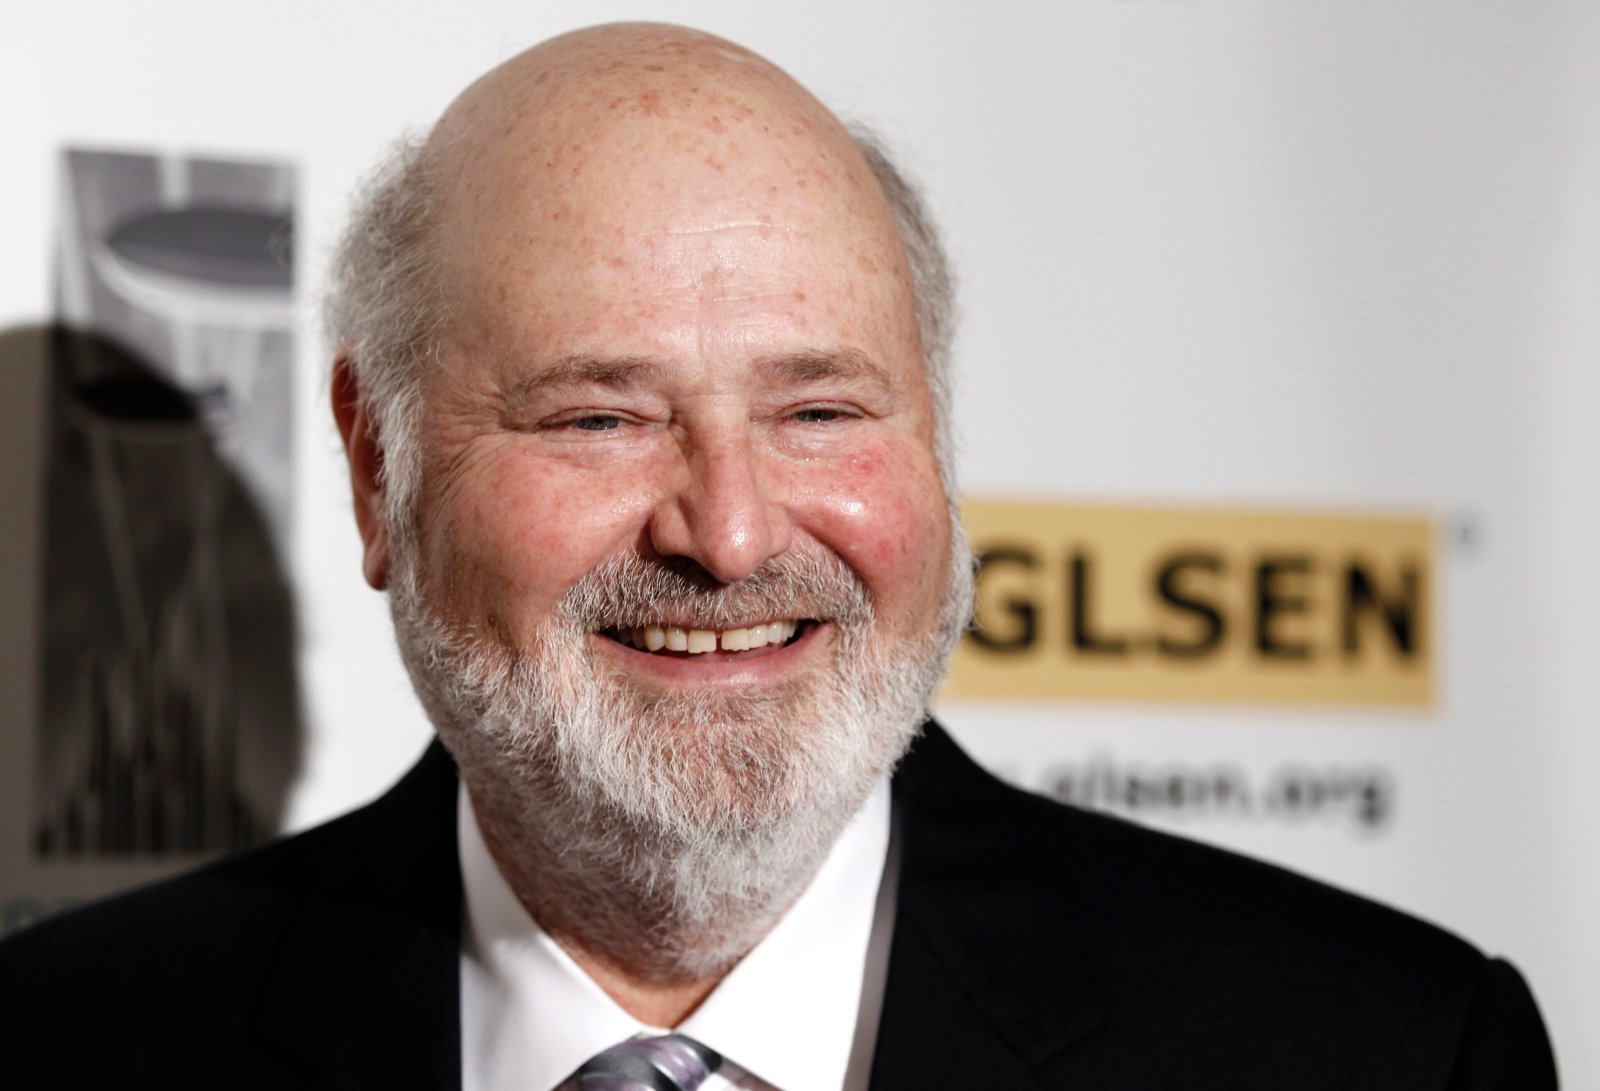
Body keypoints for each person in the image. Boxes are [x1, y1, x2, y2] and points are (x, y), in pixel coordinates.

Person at [0, 22, 1558, 1090]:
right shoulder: (67, 1049)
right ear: (372, 467)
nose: (730, 531)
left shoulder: (1382, 1053)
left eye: (820, 409)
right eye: (600, 417)